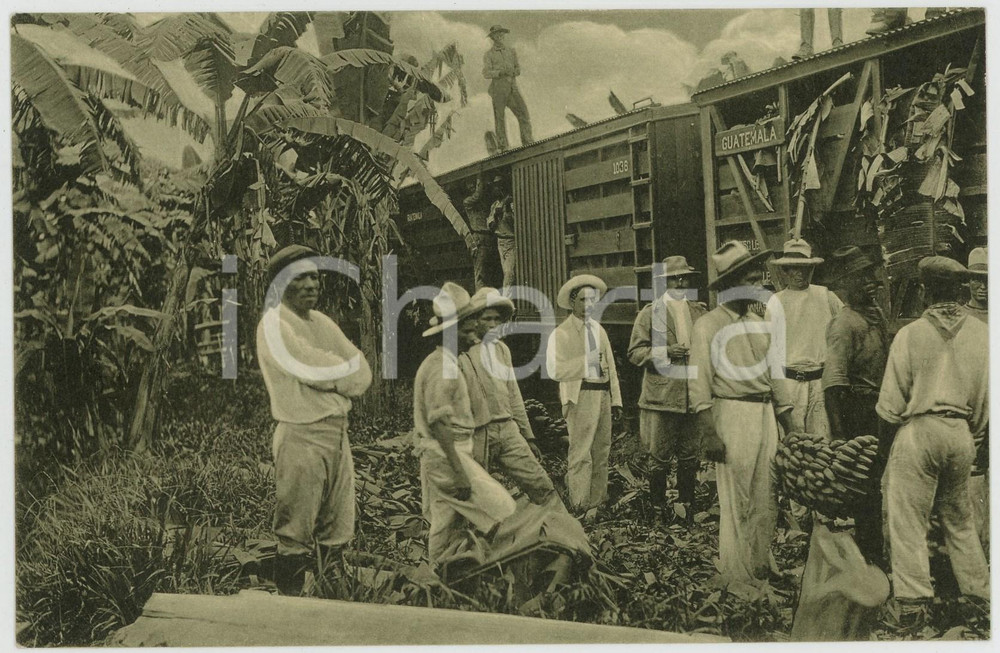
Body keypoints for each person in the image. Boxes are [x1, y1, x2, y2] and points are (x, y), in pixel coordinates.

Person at [877, 256, 990, 621]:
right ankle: (979, 596)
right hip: (961, 433)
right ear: (960, 290)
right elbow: (988, 399)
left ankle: (913, 603)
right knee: (961, 520)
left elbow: (891, 404)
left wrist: (882, 454)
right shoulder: (982, 333)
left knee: (908, 519)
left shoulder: (910, 334)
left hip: (920, 430)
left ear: (924, 289)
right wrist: (975, 437)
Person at [256, 245, 373, 595]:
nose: (311, 284)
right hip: (302, 434)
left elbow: (363, 372)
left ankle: (329, 602)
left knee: (337, 523)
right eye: (299, 277)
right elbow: (306, 366)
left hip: (337, 433)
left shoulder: (322, 323)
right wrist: (339, 376)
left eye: (315, 277)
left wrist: (333, 377)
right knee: (296, 526)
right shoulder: (273, 324)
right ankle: (289, 609)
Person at [689, 241, 794, 584]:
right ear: (733, 283)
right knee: (737, 497)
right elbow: (699, 384)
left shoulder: (760, 321)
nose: (759, 285)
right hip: (732, 413)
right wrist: (709, 432)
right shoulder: (709, 325)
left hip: (764, 414)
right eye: (751, 278)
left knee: (766, 494)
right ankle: (737, 572)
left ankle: (761, 564)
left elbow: (776, 374)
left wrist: (789, 424)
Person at [413, 282, 517, 565]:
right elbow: (439, 425)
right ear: (451, 331)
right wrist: (460, 472)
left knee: (445, 523)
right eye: (468, 330)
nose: (474, 337)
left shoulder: (441, 361)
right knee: (503, 509)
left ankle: (440, 576)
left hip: (441, 455)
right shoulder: (443, 368)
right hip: (448, 455)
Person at [821, 246, 890, 566]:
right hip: (858, 408)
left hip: (878, 407)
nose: (872, 281)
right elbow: (834, 381)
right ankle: (869, 558)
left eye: (872, 274)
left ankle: (874, 552)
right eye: (863, 277)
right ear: (848, 284)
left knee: (877, 485)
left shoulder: (874, 314)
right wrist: (838, 433)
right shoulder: (844, 323)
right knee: (865, 491)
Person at [627, 256, 708, 520]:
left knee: (689, 456)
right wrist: (666, 351)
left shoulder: (699, 312)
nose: (680, 282)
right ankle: (657, 509)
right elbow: (635, 352)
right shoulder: (650, 313)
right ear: (664, 282)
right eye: (674, 278)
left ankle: (686, 507)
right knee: (659, 458)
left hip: (692, 395)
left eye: (683, 277)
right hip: (662, 396)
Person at [460, 287, 556, 505]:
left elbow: (514, 395)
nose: (493, 325)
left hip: (507, 428)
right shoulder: (463, 354)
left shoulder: (503, 350)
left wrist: (528, 436)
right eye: (487, 319)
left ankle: (561, 530)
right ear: (475, 321)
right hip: (478, 432)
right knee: (473, 494)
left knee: (541, 484)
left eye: (497, 319)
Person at [546, 274, 622, 521]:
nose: (588, 305)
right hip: (581, 397)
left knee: (602, 451)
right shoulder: (561, 333)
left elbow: (611, 367)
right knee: (581, 452)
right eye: (582, 300)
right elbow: (554, 370)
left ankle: (596, 505)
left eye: (592, 300)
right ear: (572, 301)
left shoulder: (599, 330)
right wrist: (585, 363)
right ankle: (579, 503)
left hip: (601, 396)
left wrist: (616, 401)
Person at [766, 239, 843, 440]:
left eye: (805, 269)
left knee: (822, 443)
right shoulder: (776, 302)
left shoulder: (826, 296)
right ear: (785, 271)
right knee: (793, 446)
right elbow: (769, 348)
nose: (800, 274)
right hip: (790, 383)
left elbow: (843, 329)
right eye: (794, 269)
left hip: (820, 382)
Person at [962, 246, 989, 552]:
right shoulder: (960, 318)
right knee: (973, 474)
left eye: (987, 280)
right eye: (976, 280)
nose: (982, 287)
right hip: (972, 404)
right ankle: (975, 547)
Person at [483, 25, 533, 152]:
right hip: (498, 90)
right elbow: (486, 73)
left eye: (501, 33)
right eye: (497, 34)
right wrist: (500, 73)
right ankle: (503, 146)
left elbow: (518, 69)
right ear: (493, 37)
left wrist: (513, 71)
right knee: (500, 118)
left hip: (512, 88)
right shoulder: (489, 55)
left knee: (524, 114)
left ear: (504, 35)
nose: (500, 36)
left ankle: (528, 141)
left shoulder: (511, 51)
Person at [464, 174, 499, 290]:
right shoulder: (468, 201)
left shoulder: (482, 202)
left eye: (473, 185)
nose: (472, 188)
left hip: (488, 237)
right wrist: (479, 175)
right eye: (470, 186)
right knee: (480, 274)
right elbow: (477, 195)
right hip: (479, 237)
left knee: (490, 273)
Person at [488, 184, 517, 292]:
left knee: (509, 272)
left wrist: (508, 211)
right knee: (506, 272)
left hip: (511, 241)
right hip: (500, 241)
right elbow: (491, 226)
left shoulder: (511, 202)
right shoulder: (494, 205)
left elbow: (517, 223)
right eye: (495, 186)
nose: (497, 189)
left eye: (499, 185)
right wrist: (496, 215)